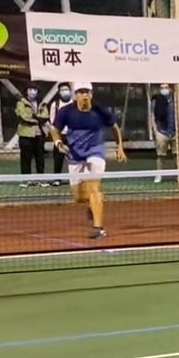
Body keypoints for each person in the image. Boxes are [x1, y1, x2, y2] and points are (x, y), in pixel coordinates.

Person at [50, 82, 126, 240]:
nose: (84, 95)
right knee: (79, 197)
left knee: (93, 188)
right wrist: (58, 143)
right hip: (75, 155)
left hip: (95, 152)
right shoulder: (66, 112)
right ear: (75, 95)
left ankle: (98, 228)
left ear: (91, 94)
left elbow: (114, 127)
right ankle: (94, 203)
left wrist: (120, 146)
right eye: (80, 92)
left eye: (87, 92)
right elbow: (55, 129)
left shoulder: (100, 111)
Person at [16, 83, 50, 187]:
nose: (33, 92)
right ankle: (26, 180)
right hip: (26, 135)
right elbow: (24, 117)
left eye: (35, 90)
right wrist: (38, 119)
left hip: (39, 135)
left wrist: (35, 117)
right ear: (26, 91)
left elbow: (45, 116)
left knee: (40, 158)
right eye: (30, 89)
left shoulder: (42, 103)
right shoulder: (21, 103)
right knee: (26, 158)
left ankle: (41, 180)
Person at [48, 82, 75, 187]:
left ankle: (75, 179)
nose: (65, 92)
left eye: (66, 89)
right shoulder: (55, 105)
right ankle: (57, 179)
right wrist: (56, 137)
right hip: (60, 135)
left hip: (72, 135)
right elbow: (52, 121)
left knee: (74, 158)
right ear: (59, 92)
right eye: (62, 90)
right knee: (58, 158)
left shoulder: (75, 104)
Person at [151, 83, 176, 184]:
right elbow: (152, 116)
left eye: (166, 87)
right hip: (161, 131)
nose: (164, 89)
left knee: (177, 155)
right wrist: (155, 131)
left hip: (175, 132)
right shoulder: (156, 101)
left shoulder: (176, 100)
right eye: (162, 88)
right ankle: (159, 175)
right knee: (160, 155)